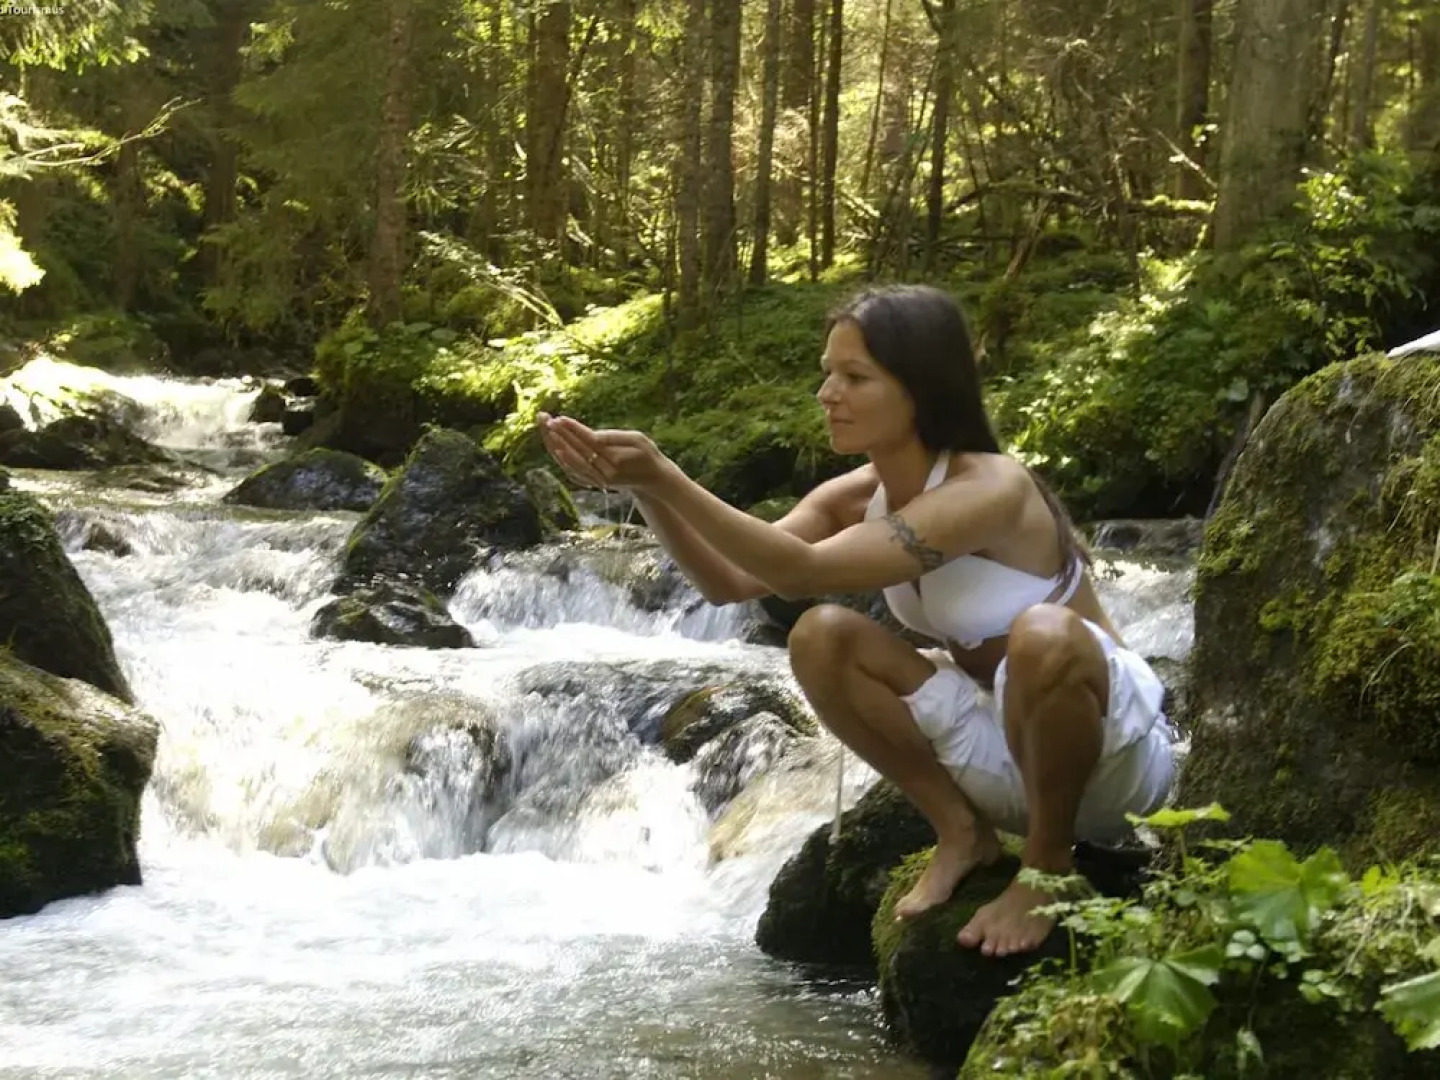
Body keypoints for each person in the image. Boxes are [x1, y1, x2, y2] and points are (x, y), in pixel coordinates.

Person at [537, 284, 1176, 957]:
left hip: (1116, 760)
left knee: (1041, 634)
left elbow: (798, 570)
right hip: (1006, 753)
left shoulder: (992, 486)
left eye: (854, 376)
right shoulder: (852, 499)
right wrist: (645, 487)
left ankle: (1046, 868)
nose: (827, 394)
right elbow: (728, 583)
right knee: (820, 637)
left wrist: (668, 475)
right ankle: (960, 832)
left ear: (922, 388)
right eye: (827, 374)